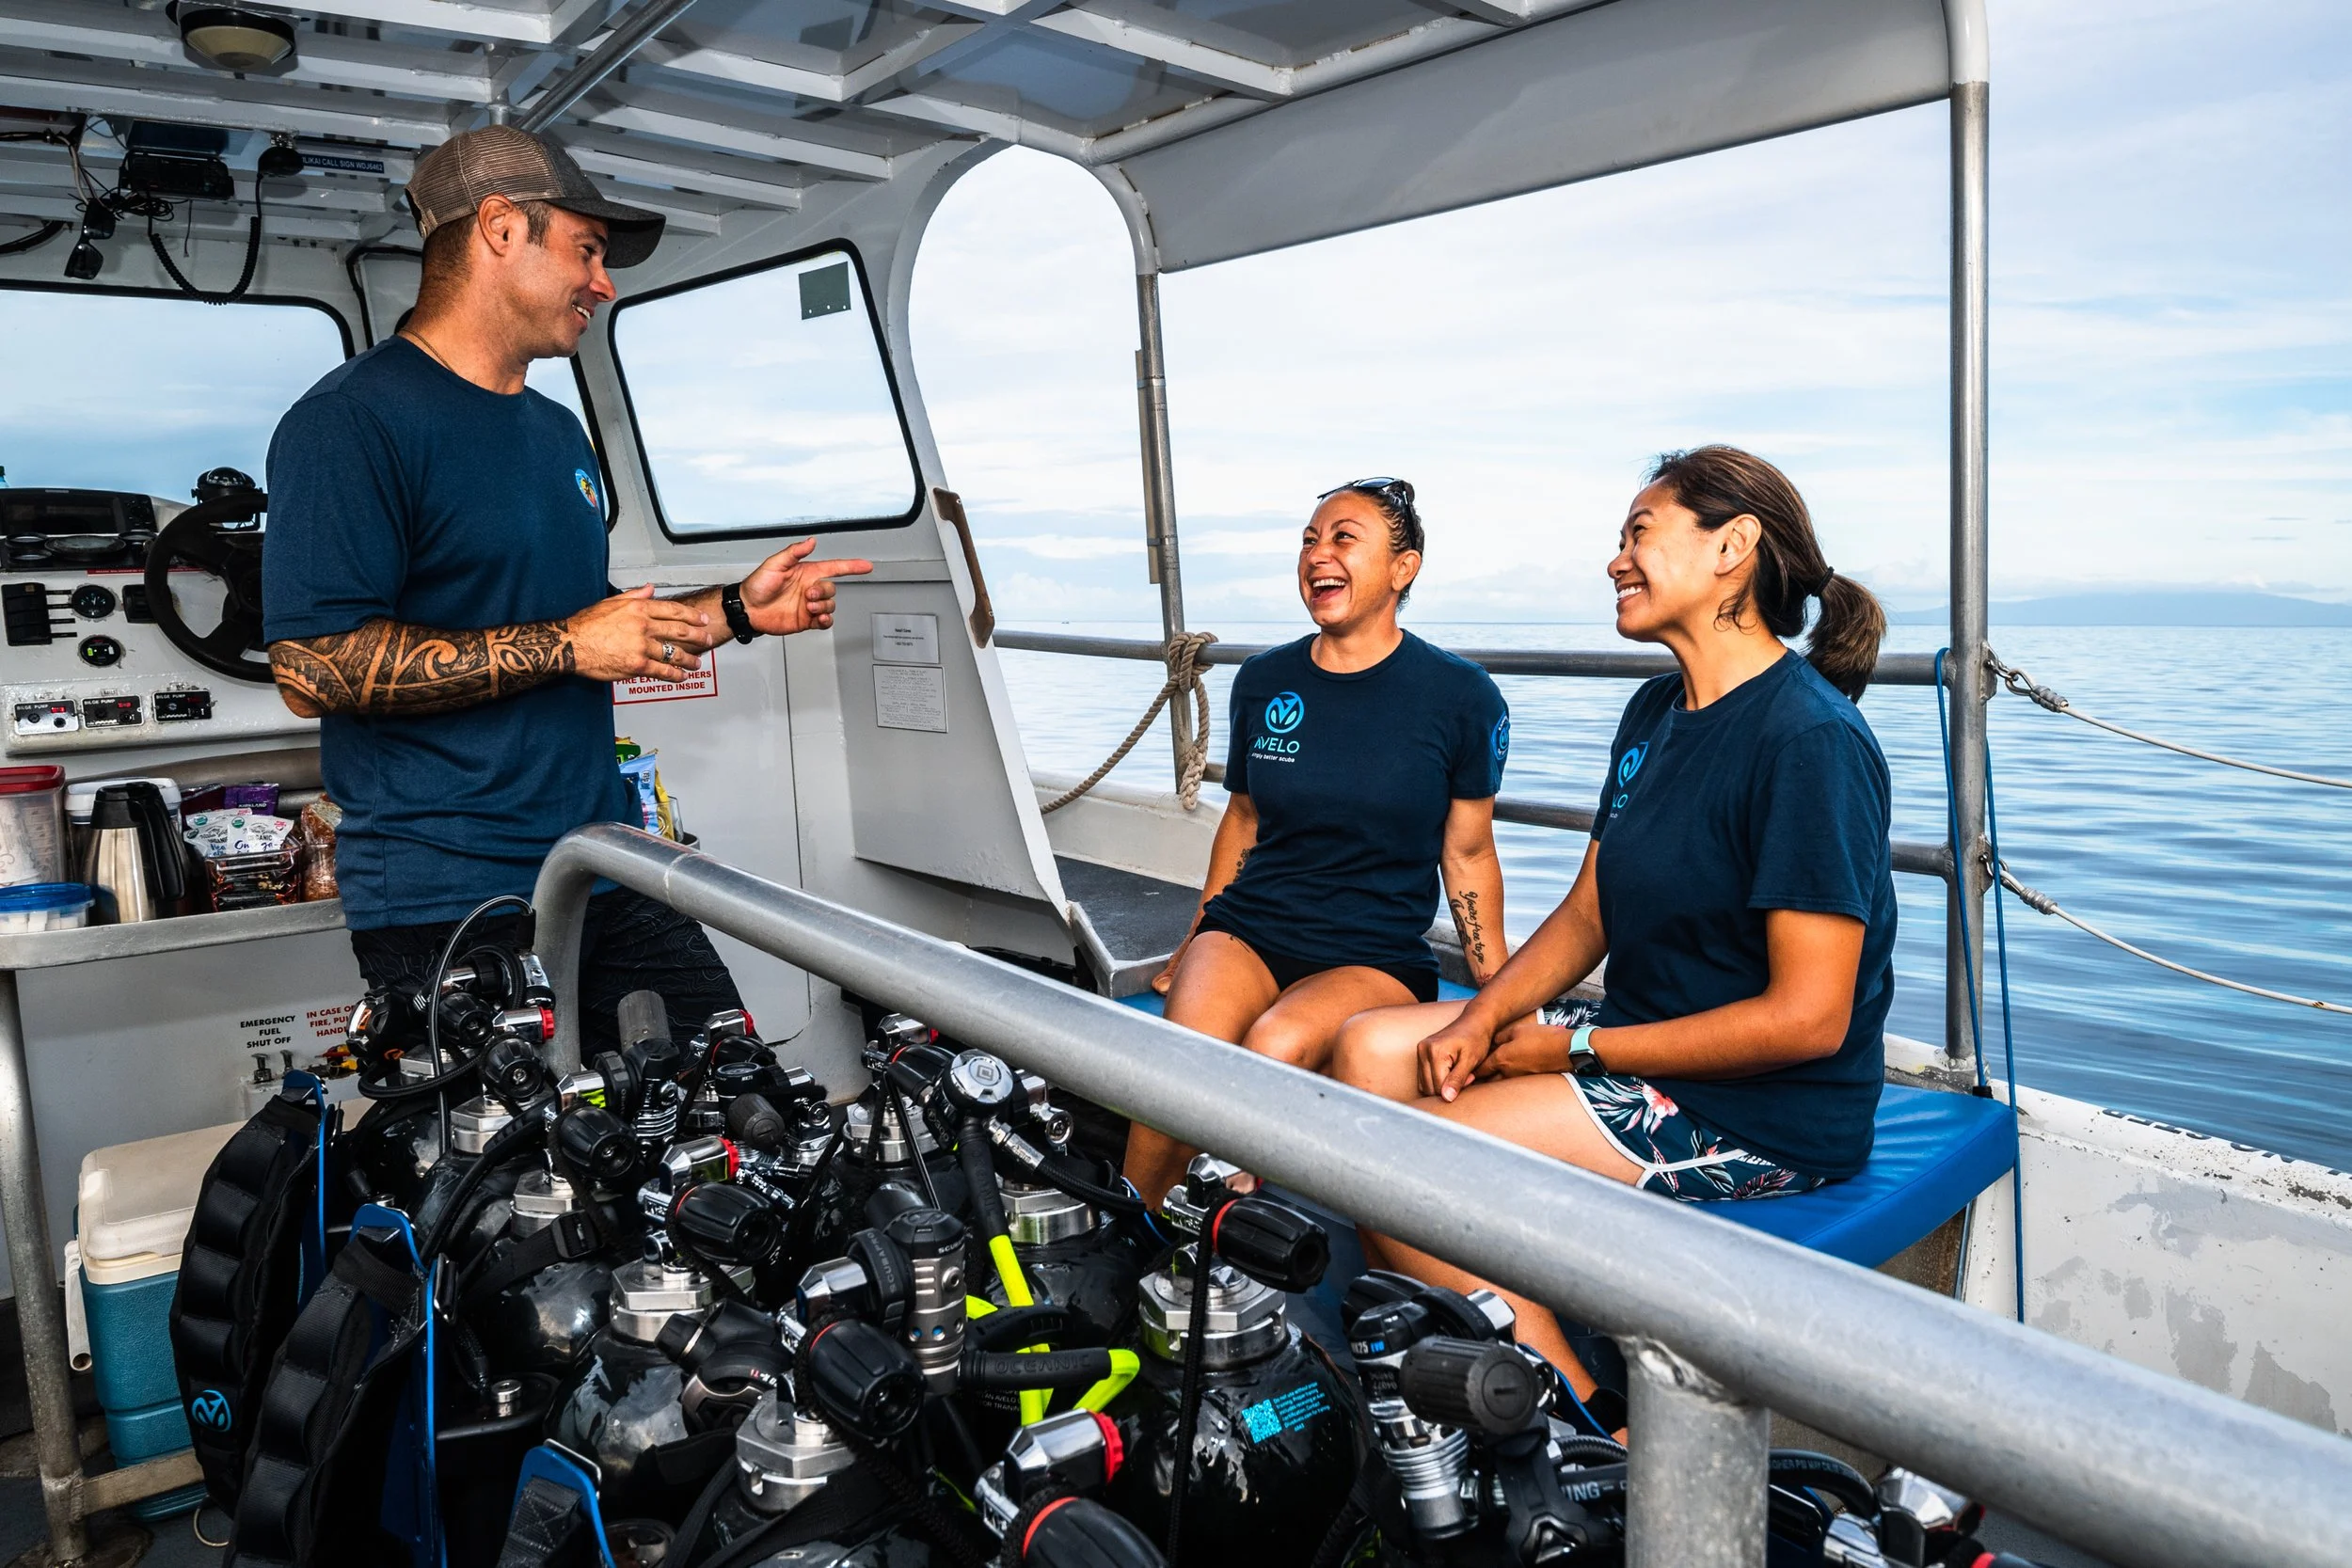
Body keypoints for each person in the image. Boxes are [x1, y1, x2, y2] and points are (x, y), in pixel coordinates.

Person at [262, 125, 872, 1052]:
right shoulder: (350, 423)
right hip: (450, 892)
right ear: (501, 229)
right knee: (508, 1183)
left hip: (598, 861)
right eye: (587, 250)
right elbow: (312, 667)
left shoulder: (555, 432)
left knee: (734, 1113)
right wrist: (569, 646)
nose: (604, 281)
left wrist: (738, 610)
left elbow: (587, 621)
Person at [1329, 445, 1895, 1398]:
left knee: (1391, 1162)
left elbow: (1809, 1018)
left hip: (1760, 1113)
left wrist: (1573, 1051)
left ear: (1733, 548)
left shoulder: (1808, 742)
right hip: (1644, 1049)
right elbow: (1591, 906)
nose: (1614, 559)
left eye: (1639, 532)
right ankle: (1479, 1316)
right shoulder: (1655, 709)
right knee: (1364, 1053)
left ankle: (1571, 1417)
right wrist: (1481, 1017)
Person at [1123, 478, 1512, 1205]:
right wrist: (1198, 931)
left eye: (1342, 537)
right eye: (1308, 539)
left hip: (1372, 952)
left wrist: (1499, 998)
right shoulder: (1266, 679)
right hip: (1251, 927)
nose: (1317, 554)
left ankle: (1236, 1250)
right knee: (1176, 1063)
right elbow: (1242, 818)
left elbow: (1468, 855)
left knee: (1275, 1043)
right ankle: (1132, 1238)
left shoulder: (1461, 697)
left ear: (1404, 568)